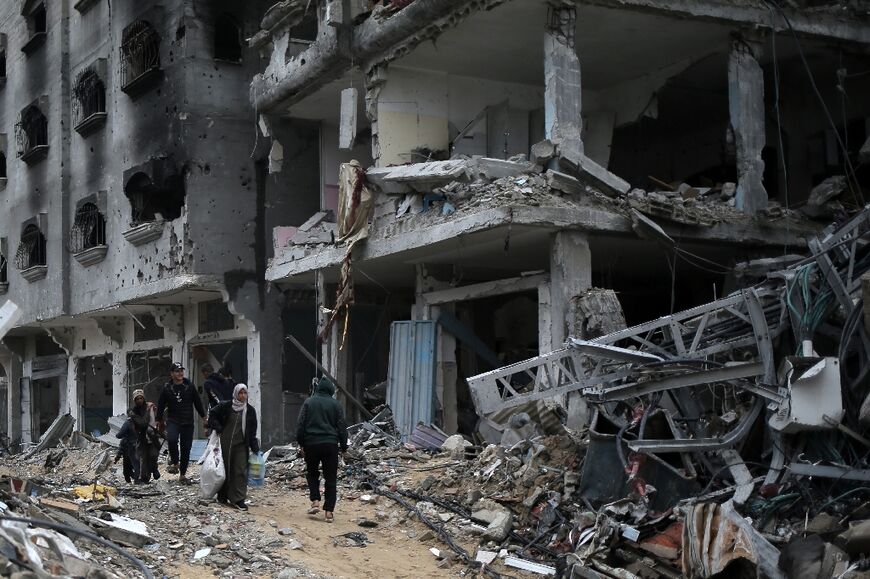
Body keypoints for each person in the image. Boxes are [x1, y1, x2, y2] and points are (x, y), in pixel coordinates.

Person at [296, 377, 348, 523]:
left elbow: (300, 425)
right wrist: (344, 447)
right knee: (330, 478)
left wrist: (301, 444)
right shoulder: (335, 404)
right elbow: (342, 428)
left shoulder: (309, 402)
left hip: (311, 444)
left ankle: (315, 501)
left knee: (312, 473)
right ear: (331, 390)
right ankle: (329, 512)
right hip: (330, 445)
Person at [207, 383, 259, 511]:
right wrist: (218, 428)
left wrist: (255, 447)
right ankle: (223, 495)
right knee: (224, 470)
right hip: (225, 443)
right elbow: (212, 415)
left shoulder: (250, 411)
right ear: (236, 394)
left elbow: (252, 431)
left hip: (241, 445)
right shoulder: (226, 406)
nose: (242, 396)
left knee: (240, 470)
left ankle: (239, 499)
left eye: (244, 393)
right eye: (240, 393)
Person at [157, 362, 206, 484]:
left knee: (186, 449)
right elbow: (161, 404)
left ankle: (182, 475)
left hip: (188, 422)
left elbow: (197, 402)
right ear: (172, 374)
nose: (180, 373)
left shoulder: (189, 386)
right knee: (172, 439)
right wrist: (158, 420)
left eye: (181, 371)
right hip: (173, 420)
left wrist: (204, 417)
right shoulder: (167, 388)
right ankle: (175, 462)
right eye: (177, 371)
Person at [128, 389, 162, 484]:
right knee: (143, 458)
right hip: (141, 437)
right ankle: (145, 478)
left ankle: (154, 469)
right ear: (134, 400)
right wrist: (148, 410)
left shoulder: (150, 407)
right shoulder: (132, 411)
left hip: (152, 436)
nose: (139, 400)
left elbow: (156, 419)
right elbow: (142, 424)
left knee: (153, 455)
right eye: (137, 399)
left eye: (141, 398)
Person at [114, 417, 139, 483]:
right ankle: (135, 480)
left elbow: (120, 450)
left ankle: (134, 481)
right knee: (134, 468)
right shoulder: (140, 423)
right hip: (134, 453)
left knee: (127, 471)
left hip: (128, 455)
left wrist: (117, 459)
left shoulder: (128, 424)